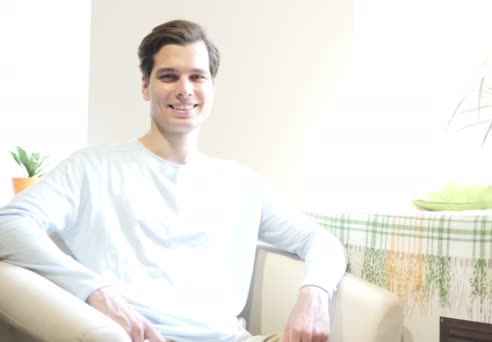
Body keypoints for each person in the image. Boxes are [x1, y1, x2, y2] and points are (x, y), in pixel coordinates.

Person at [0, 19, 346, 342]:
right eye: (169, 76)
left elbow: (319, 241)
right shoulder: (92, 167)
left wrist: (314, 293)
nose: (185, 90)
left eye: (197, 77)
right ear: (145, 85)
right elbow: (9, 224)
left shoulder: (240, 183)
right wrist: (94, 290)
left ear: (211, 87)